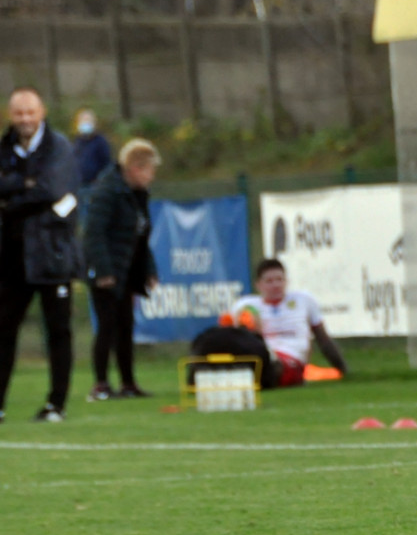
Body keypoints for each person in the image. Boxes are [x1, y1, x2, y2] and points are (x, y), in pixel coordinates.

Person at [0, 87, 83, 423]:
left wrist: (12, 197)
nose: (25, 120)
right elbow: (34, 191)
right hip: (12, 257)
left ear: (42, 112)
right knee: (4, 331)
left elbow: (54, 190)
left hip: (52, 254)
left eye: (30, 112)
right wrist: (28, 185)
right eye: (19, 113)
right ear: (10, 115)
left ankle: (56, 404)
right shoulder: (4, 147)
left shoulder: (59, 147)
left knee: (58, 331)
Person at [82, 138, 160, 401]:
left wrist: (148, 269)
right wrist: (103, 270)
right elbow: (94, 233)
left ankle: (128, 383)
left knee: (126, 325)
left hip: (126, 269)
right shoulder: (107, 191)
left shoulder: (138, 195)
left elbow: (140, 236)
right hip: (106, 269)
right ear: (136, 168)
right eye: (150, 169)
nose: (152, 176)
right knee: (106, 326)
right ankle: (101, 384)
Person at [197, 258, 347, 389]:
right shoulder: (246, 305)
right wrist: (249, 331)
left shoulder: (303, 300)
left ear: (286, 281)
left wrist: (342, 368)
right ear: (258, 285)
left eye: (279, 279)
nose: (276, 285)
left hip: (289, 359)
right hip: (257, 351)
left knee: (267, 362)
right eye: (269, 281)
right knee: (216, 339)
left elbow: (323, 339)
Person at [71, 109, 113, 189]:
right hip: (79, 185)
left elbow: (106, 164)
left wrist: (101, 182)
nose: (85, 123)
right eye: (83, 121)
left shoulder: (100, 142)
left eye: (88, 121)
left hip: (95, 186)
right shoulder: (77, 141)